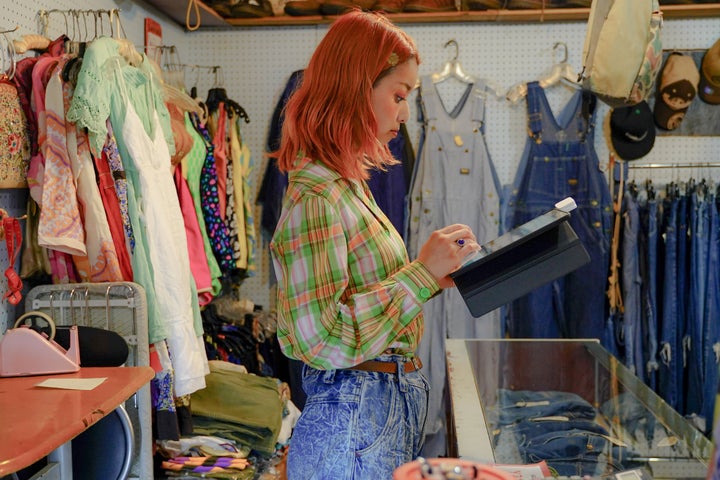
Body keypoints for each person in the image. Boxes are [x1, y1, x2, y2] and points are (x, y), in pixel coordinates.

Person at [269, 10, 481, 479]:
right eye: (398, 95)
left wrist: (429, 277)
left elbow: (364, 302)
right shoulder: (318, 195)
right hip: (355, 419)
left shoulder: (346, 186)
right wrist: (420, 275)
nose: (404, 114)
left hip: (373, 412)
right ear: (353, 88)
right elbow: (320, 338)